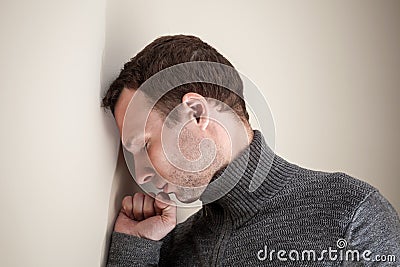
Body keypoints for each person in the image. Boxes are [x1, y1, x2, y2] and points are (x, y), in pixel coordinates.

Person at [102, 35, 400, 266]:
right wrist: (136, 248)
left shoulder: (350, 211)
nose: (139, 174)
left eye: (143, 145)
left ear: (194, 113)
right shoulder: (172, 244)